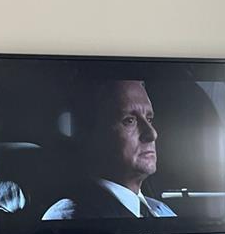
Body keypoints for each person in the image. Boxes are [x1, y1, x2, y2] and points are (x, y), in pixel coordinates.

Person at [43, 78, 177, 221]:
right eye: (129, 121)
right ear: (90, 133)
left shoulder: (162, 211)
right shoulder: (72, 217)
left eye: (149, 119)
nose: (152, 134)